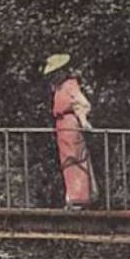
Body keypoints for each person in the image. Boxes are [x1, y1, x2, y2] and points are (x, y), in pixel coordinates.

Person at [42, 53, 98, 208]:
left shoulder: (70, 85)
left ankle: (79, 197)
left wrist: (83, 119)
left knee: (74, 158)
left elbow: (83, 104)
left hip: (70, 126)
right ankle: (72, 196)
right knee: (67, 161)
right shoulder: (59, 87)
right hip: (62, 126)